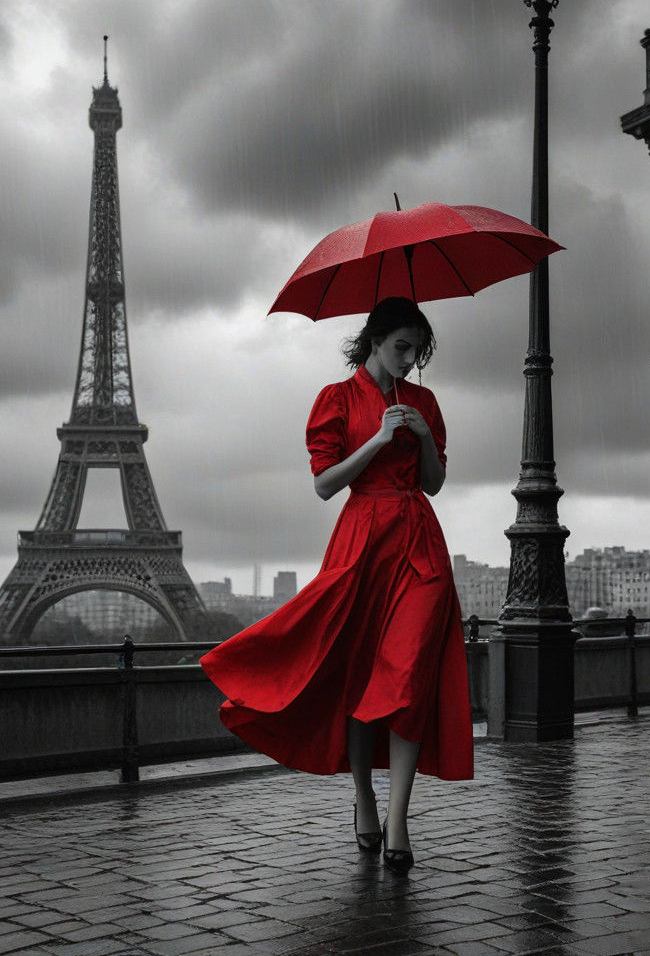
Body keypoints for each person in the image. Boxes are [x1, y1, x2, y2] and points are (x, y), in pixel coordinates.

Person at [200, 296, 473, 874]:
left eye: (418, 351)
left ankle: (398, 819)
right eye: (401, 347)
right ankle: (366, 800)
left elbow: (434, 483)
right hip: (361, 545)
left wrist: (422, 436)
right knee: (358, 679)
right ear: (374, 340)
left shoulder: (423, 401)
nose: (409, 359)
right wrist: (376, 439)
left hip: (419, 546)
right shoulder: (336, 399)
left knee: (408, 678)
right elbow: (325, 485)